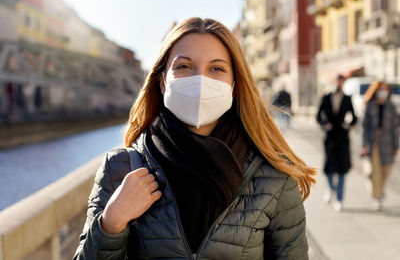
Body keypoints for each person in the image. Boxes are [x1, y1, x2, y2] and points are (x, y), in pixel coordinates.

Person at [73, 17, 316, 260]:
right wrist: (111, 223)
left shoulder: (272, 176)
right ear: (162, 81)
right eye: (184, 66)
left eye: (216, 68)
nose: (201, 80)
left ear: (233, 84)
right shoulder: (120, 169)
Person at [316, 74, 357, 212]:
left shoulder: (347, 98)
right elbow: (318, 116)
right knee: (328, 168)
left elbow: (354, 117)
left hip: (343, 138)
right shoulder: (326, 97)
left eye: (341, 82)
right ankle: (331, 189)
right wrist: (325, 125)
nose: (339, 84)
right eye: (337, 81)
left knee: (341, 170)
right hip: (329, 137)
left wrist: (348, 125)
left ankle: (339, 199)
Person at [361, 81, 399, 211]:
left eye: (385, 89)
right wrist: (364, 144)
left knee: (386, 170)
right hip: (373, 141)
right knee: (373, 170)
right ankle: (377, 197)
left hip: (387, 141)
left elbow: (395, 128)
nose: (383, 92)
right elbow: (364, 126)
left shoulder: (392, 107)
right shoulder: (370, 105)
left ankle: (380, 192)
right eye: (380, 89)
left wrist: (396, 146)